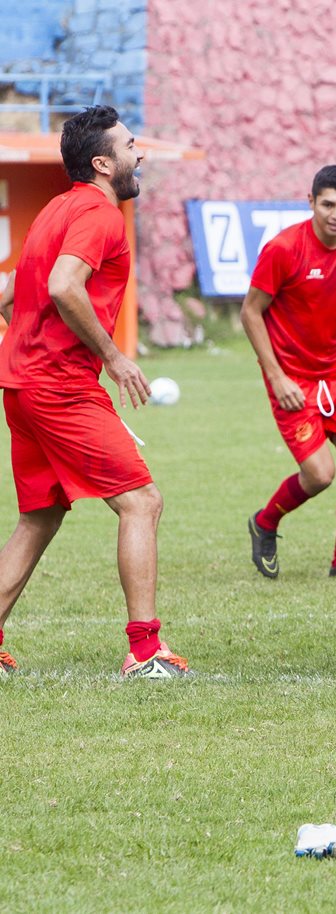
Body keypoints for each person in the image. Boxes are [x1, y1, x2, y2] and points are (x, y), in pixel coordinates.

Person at [0, 105, 188, 678]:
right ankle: (145, 650)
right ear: (104, 163)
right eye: (132, 146)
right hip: (58, 386)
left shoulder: (56, 209)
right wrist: (112, 356)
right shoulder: (101, 216)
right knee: (142, 501)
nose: (141, 154)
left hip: (23, 385)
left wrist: (23, 347)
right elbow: (62, 286)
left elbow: (11, 292)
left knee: (40, 515)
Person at [242, 166, 336, 579]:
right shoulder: (284, 249)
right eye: (328, 204)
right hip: (292, 378)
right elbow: (250, 312)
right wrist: (276, 377)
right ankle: (265, 522)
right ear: (311, 202)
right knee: (320, 474)